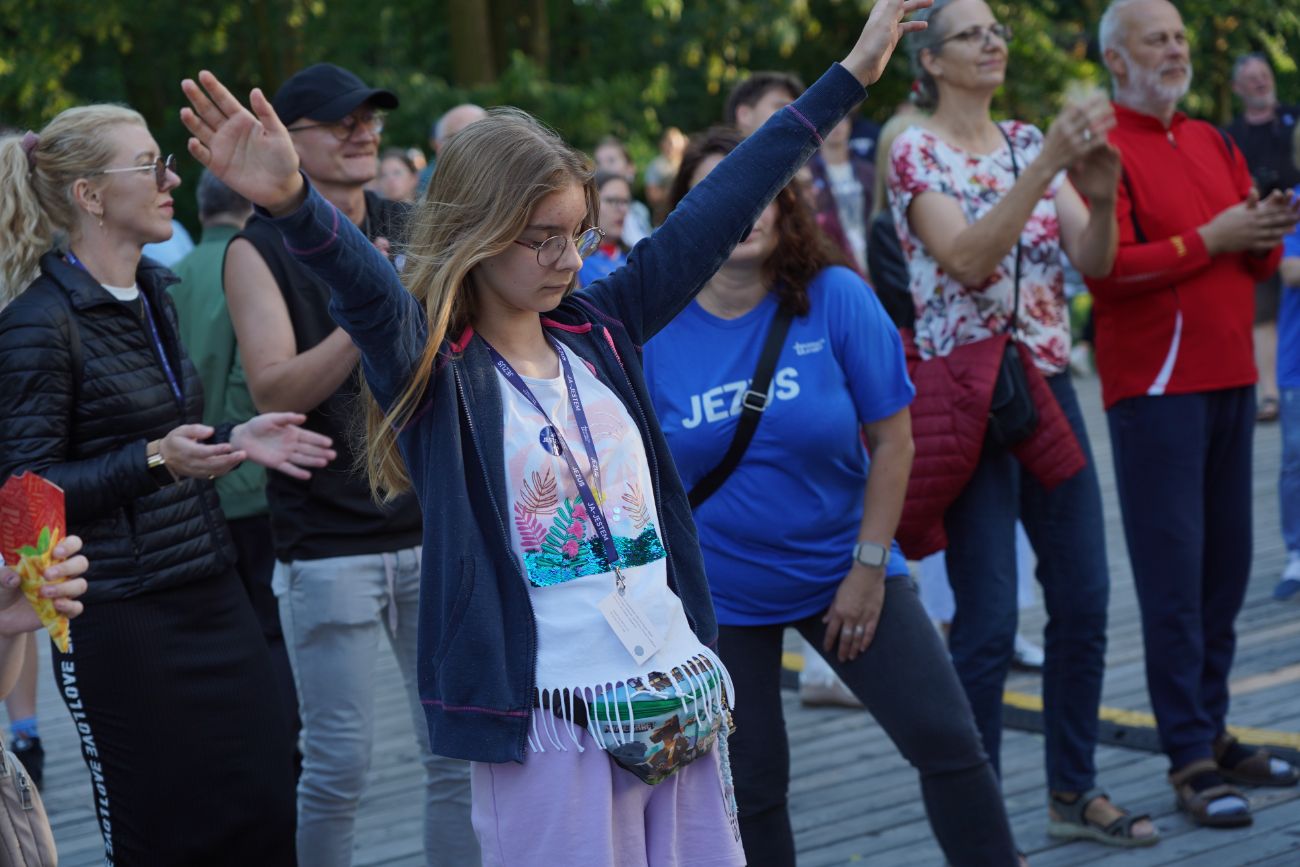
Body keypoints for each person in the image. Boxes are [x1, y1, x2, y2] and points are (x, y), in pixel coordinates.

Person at [180, 2, 930, 864]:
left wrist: (852, 76)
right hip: (551, 724)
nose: (569, 259)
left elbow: (723, 202)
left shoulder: (599, 326)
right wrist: (294, 202)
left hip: (676, 690)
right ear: (479, 232)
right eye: (540, 240)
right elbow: (364, 289)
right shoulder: (435, 365)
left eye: (576, 234)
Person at [644, 125, 1017, 867]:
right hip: (721, 597)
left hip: (846, 567)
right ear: (686, 210)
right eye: (719, 191)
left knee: (948, 739)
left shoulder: (837, 297)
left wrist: (870, 567)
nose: (743, 209)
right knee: (751, 786)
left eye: (760, 190)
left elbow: (895, 441)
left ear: (787, 204)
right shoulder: (650, 324)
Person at [0, 109, 336, 864]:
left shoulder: (158, 287)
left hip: (211, 589)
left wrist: (230, 441)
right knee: (164, 835)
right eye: (149, 165)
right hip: (119, 618)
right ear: (89, 195)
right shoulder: (37, 322)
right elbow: (24, 497)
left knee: (262, 803)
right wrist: (154, 459)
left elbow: (163, 441)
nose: (171, 180)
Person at [889, 0, 1160, 848]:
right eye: (972, 33)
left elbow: (1094, 263)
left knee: (1084, 596)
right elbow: (965, 259)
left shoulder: (1024, 138)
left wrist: (1107, 197)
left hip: (1044, 388)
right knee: (990, 621)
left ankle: (1072, 790)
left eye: (998, 29)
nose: (994, 41)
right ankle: (982, 814)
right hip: (967, 399)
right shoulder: (913, 148)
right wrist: (1046, 165)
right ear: (930, 61)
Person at [220, 62, 477, 866]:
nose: (362, 131)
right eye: (340, 121)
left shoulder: (412, 219)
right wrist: (373, 299)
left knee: (455, 756)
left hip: (432, 525)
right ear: (287, 142)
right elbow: (275, 385)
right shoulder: (255, 248)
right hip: (327, 542)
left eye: (370, 117)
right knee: (338, 768)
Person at [1089, 0, 1300, 828]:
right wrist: (1215, 237)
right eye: (1156, 39)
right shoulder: (1101, 143)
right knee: (1174, 581)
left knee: (1225, 571)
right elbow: (1106, 273)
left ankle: (1213, 730)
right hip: (1155, 389)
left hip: (1228, 380)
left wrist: (1262, 230)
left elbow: (1248, 261)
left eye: (1178, 37)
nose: (1174, 50)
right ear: (1116, 58)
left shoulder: (1212, 136)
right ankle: (1186, 755)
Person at [169, 170, 302, 756]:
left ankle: (245, 744)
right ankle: (286, 747)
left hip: (193, 473)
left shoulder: (168, 275)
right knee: (274, 631)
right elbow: (261, 377)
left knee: (232, 626)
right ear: (250, 204)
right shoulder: (253, 264)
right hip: (255, 469)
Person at [1227, 54, 1300, 422]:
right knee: (1264, 314)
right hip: (1260, 232)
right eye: (1250, 78)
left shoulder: (1294, 117)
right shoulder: (1233, 134)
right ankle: (1270, 394)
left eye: (1264, 75)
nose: (1259, 82)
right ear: (1238, 89)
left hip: (1297, 225)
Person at [1279, 215, 1300, 600]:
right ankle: (1298, 553)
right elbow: (1291, 271)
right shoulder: (1294, 204)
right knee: (1296, 458)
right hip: (1298, 365)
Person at [593, 135, 654, 246]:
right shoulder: (590, 212)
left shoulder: (640, 211)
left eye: (611, 160)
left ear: (630, 168)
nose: (603, 167)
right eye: (598, 162)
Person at [416, 103, 487, 197]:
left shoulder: (505, 176)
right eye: (456, 137)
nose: (470, 144)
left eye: (481, 136)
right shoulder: (424, 181)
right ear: (438, 145)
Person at [577, 171, 631, 287]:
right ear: (589, 204)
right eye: (613, 201)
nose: (622, 209)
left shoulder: (635, 257)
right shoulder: (573, 261)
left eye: (625, 202)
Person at [725, 71, 805, 136]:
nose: (795, 117)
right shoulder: (717, 155)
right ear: (744, 115)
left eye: (795, 112)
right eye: (782, 108)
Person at [644, 126, 687, 225]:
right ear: (662, 144)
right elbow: (652, 196)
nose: (672, 147)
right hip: (663, 218)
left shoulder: (686, 163)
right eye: (670, 143)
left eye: (675, 144)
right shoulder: (655, 165)